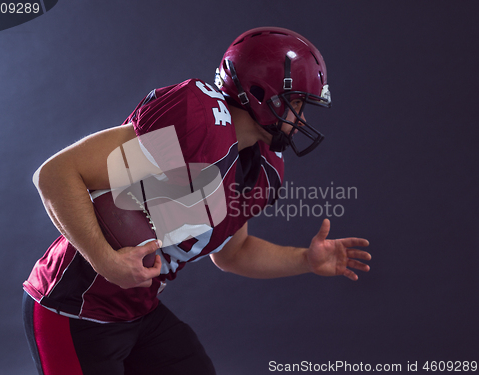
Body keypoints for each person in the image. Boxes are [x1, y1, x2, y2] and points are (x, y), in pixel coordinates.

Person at [22, 27, 371, 375]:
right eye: (297, 104)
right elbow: (56, 175)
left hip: (137, 310)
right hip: (74, 307)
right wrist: (105, 261)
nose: (302, 119)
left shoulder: (262, 167)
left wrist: (305, 261)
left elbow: (236, 253)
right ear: (265, 95)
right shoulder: (199, 128)